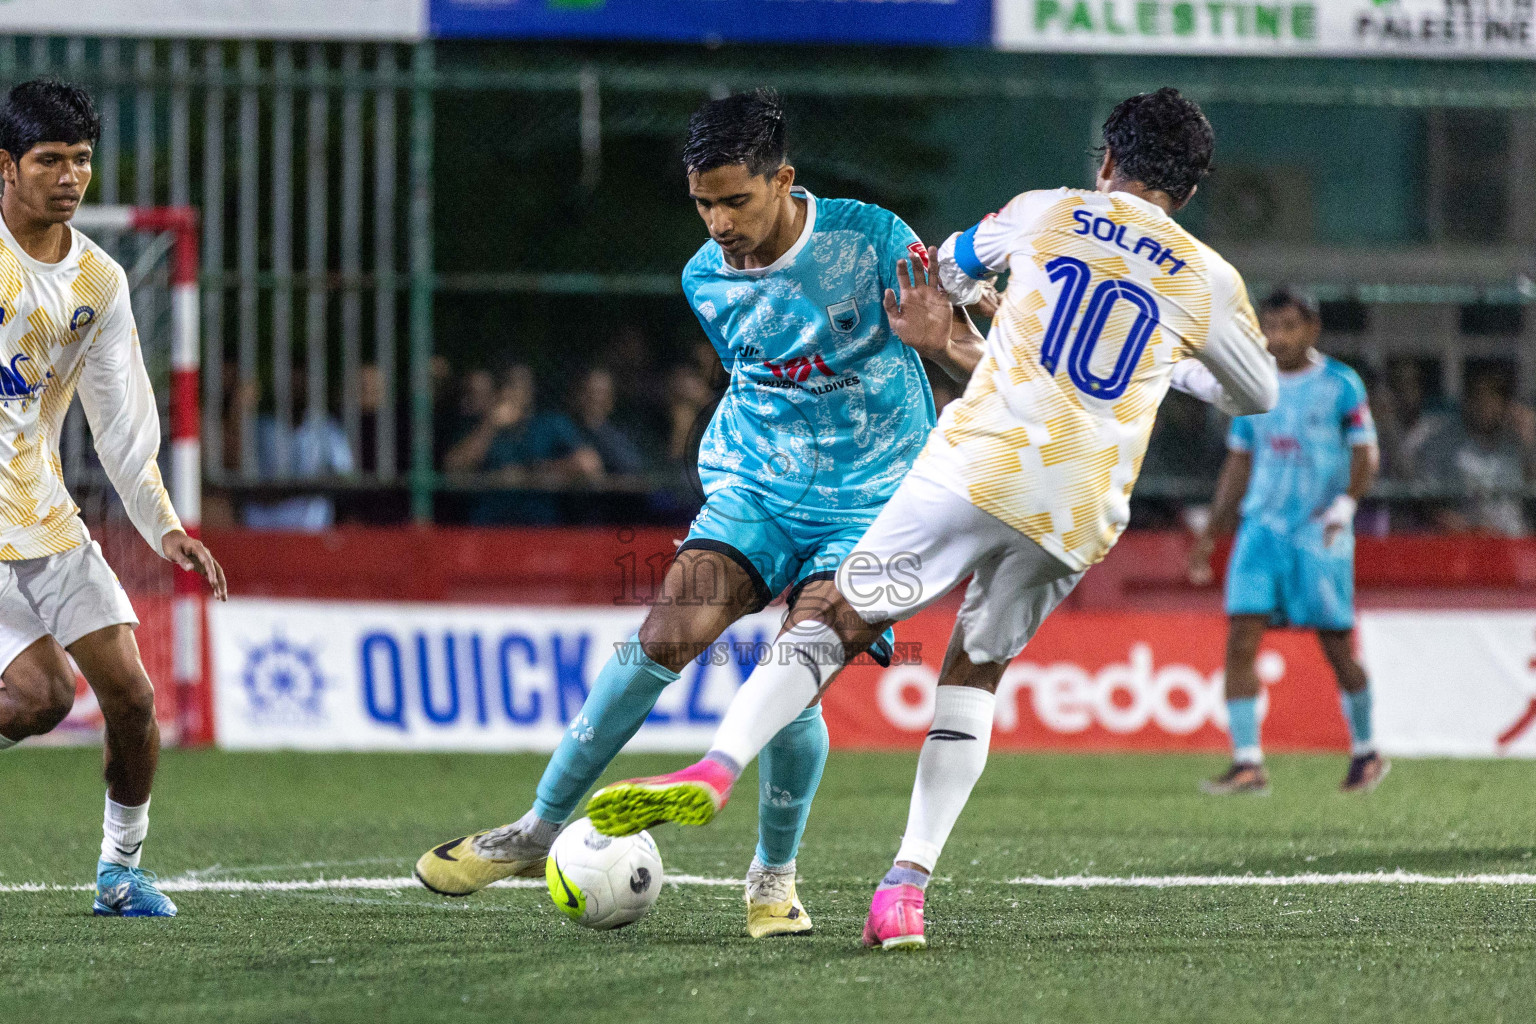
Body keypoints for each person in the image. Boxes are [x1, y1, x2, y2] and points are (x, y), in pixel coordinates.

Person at [582, 87, 1278, 950]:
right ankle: (905, 886)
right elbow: (1255, 393)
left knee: (836, 615)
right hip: (1078, 503)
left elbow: (945, 268)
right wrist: (1159, 358)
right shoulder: (1208, 280)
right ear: (1193, 190)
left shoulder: (1047, 213)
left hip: (980, 460)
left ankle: (720, 765)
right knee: (974, 673)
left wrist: (988, 305)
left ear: (1106, 162)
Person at [414, 88, 981, 939]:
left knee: (801, 666)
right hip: (758, 484)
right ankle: (536, 830)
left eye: (735, 200)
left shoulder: (873, 241)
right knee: (661, 635)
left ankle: (773, 876)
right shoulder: (704, 277)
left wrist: (944, 344)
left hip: (877, 498)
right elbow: (760, 381)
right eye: (702, 203)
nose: (717, 223)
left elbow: (985, 363)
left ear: (783, 181)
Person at [0, 79, 227, 917]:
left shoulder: (98, 281)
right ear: (5, 166)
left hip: (42, 518)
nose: (70, 176)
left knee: (131, 698)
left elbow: (122, 422)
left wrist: (166, 526)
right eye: (50, 159)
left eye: (82, 159)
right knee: (41, 699)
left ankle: (121, 871)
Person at [1187, 290, 1386, 796]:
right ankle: (1248, 762)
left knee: (1337, 646)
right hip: (1261, 531)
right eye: (1269, 327)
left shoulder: (1340, 383)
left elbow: (1367, 454)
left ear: (1312, 329)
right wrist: (1213, 531)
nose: (1277, 338)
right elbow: (1239, 461)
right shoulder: (1252, 384)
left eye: (1288, 327)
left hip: (1319, 533)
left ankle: (1366, 751)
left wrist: (1346, 505)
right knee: (1240, 641)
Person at [1416, 371, 1533, 537]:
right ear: (1467, 401)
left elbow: (1530, 488)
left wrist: (1528, 443)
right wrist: (1468, 530)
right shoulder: (1441, 443)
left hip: (1512, 541)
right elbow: (1428, 503)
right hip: (1463, 542)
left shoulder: (1516, 444)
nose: (1484, 405)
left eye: (1493, 398)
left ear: (1504, 405)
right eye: (1478, 397)